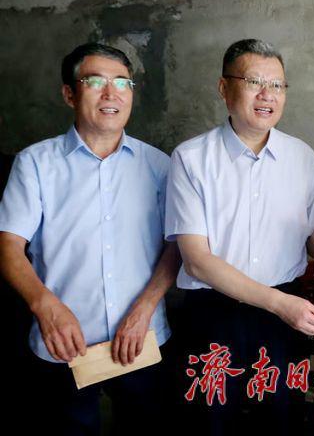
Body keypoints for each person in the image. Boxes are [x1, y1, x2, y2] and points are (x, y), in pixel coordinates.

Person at [0, 42, 180, 435]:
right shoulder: (35, 164)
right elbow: (9, 247)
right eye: (95, 82)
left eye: (122, 82)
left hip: (141, 338)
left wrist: (144, 309)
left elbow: (176, 246)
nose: (111, 93)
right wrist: (45, 307)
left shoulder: (159, 166)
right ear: (69, 94)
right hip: (62, 343)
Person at [165, 38, 314, 435]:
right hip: (214, 316)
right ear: (224, 88)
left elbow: (312, 243)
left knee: (281, 421)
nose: (268, 94)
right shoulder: (191, 158)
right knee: (210, 423)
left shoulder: (301, 157)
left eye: (277, 85)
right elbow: (197, 260)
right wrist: (280, 304)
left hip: (283, 321)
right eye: (254, 82)